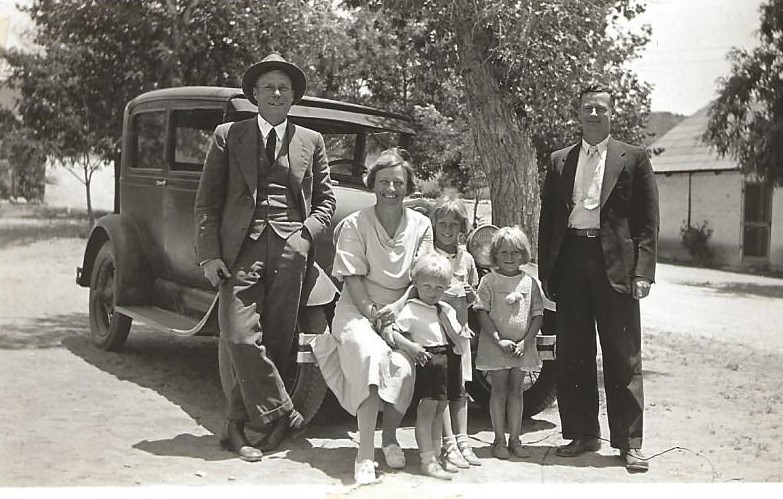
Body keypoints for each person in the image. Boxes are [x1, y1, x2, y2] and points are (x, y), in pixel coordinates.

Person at [194, 53, 336, 461]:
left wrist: (306, 235)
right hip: (241, 250)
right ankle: (285, 413)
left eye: (284, 88)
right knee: (239, 337)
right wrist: (208, 255)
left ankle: (237, 429)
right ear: (254, 94)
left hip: (292, 252)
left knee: (273, 344)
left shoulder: (311, 141)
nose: (276, 93)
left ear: (293, 97)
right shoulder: (228, 135)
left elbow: (325, 200)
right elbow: (207, 203)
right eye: (269, 87)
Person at [537, 84, 659, 473]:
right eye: (587, 109)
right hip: (571, 260)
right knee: (573, 354)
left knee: (623, 358)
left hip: (617, 268)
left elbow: (647, 222)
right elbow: (548, 222)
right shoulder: (559, 161)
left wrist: (643, 272)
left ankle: (629, 443)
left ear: (611, 115)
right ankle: (582, 434)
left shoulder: (634, 158)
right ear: (578, 114)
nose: (593, 115)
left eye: (601, 109)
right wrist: (547, 273)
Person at [309, 147, 433, 485]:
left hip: (403, 311)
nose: (390, 189)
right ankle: (364, 453)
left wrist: (398, 308)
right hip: (358, 311)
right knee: (372, 357)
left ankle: (390, 438)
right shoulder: (355, 224)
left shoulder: (421, 225)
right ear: (372, 184)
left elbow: (420, 278)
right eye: (383, 182)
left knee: (404, 366)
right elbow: (352, 280)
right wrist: (377, 318)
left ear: (408, 186)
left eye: (398, 182)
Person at [391, 252, 467, 480]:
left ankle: (437, 455)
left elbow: (458, 337)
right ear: (416, 284)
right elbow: (394, 332)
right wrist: (411, 347)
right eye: (427, 287)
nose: (433, 293)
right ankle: (427, 459)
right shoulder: (411, 309)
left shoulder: (445, 309)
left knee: (438, 412)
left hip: (447, 363)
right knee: (426, 413)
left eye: (439, 288)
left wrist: (452, 320)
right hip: (428, 361)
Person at [474, 226, 543, 460]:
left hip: (521, 348)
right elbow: (481, 312)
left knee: (517, 391)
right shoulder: (488, 281)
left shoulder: (529, 282)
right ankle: (498, 440)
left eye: (515, 253)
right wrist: (498, 340)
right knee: (498, 390)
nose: (510, 258)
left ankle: (515, 438)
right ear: (495, 255)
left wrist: (526, 342)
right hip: (497, 347)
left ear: (523, 254)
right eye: (504, 253)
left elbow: (537, 314)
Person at [429, 197, 481, 468]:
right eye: (443, 224)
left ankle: (464, 441)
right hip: (436, 334)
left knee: (460, 389)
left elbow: (473, 296)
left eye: (454, 224)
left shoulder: (467, 259)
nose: (448, 230)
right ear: (434, 225)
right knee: (442, 390)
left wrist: (471, 295)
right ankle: (447, 443)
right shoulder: (428, 256)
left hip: (460, 333)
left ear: (463, 228)